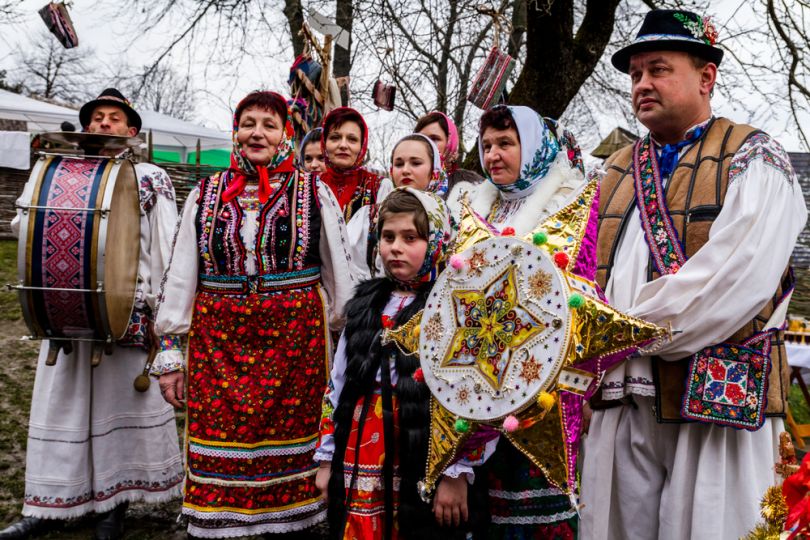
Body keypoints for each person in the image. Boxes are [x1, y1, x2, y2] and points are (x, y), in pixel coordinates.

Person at [580, 10, 807, 540]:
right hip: (622, 398)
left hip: (717, 397)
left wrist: (615, 329)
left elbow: (731, 283)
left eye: (658, 69)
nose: (642, 84)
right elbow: (578, 280)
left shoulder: (755, 157)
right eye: (635, 74)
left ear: (706, 77)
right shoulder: (609, 174)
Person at [152, 90, 355, 538]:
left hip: (295, 352)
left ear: (286, 134)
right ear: (236, 130)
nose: (257, 132)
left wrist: (345, 344)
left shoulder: (312, 191)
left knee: (297, 452)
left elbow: (341, 274)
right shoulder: (204, 195)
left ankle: (293, 522)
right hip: (217, 347)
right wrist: (169, 352)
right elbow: (182, 274)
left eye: (269, 123)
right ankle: (221, 524)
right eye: (248, 122)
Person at [0, 88, 183, 540]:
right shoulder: (58, 171)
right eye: (97, 117)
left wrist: (164, 320)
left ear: (131, 130)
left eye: (113, 118)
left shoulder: (150, 176)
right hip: (63, 307)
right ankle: (49, 504)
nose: (104, 124)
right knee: (63, 407)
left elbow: (168, 248)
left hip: (125, 310)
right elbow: (25, 226)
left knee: (119, 407)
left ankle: (113, 504)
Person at [446, 104, 592, 538]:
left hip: (540, 378)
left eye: (506, 143)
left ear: (534, 147)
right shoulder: (477, 212)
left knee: (537, 507)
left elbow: (578, 286)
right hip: (479, 372)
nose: (492, 154)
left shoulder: (567, 203)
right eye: (487, 145)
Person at [315, 188, 480, 539]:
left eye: (411, 237)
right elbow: (338, 385)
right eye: (388, 237)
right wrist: (328, 460)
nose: (395, 247)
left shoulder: (454, 307)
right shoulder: (364, 306)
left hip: (421, 447)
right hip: (360, 445)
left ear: (437, 240)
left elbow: (474, 396)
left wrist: (455, 473)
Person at [348, 133, 449, 280]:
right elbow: (350, 266)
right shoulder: (369, 216)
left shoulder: (449, 219)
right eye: (399, 164)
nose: (405, 170)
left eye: (415, 163)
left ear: (434, 171)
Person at [319, 107, 389, 223]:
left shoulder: (379, 187)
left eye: (352, 139)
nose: (343, 145)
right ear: (324, 143)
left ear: (362, 146)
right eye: (335, 138)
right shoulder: (312, 185)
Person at [415, 111, 482, 192]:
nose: (427, 143)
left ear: (450, 143)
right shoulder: (405, 179)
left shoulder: (472, 185)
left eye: (434, 139)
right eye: (421, 138)